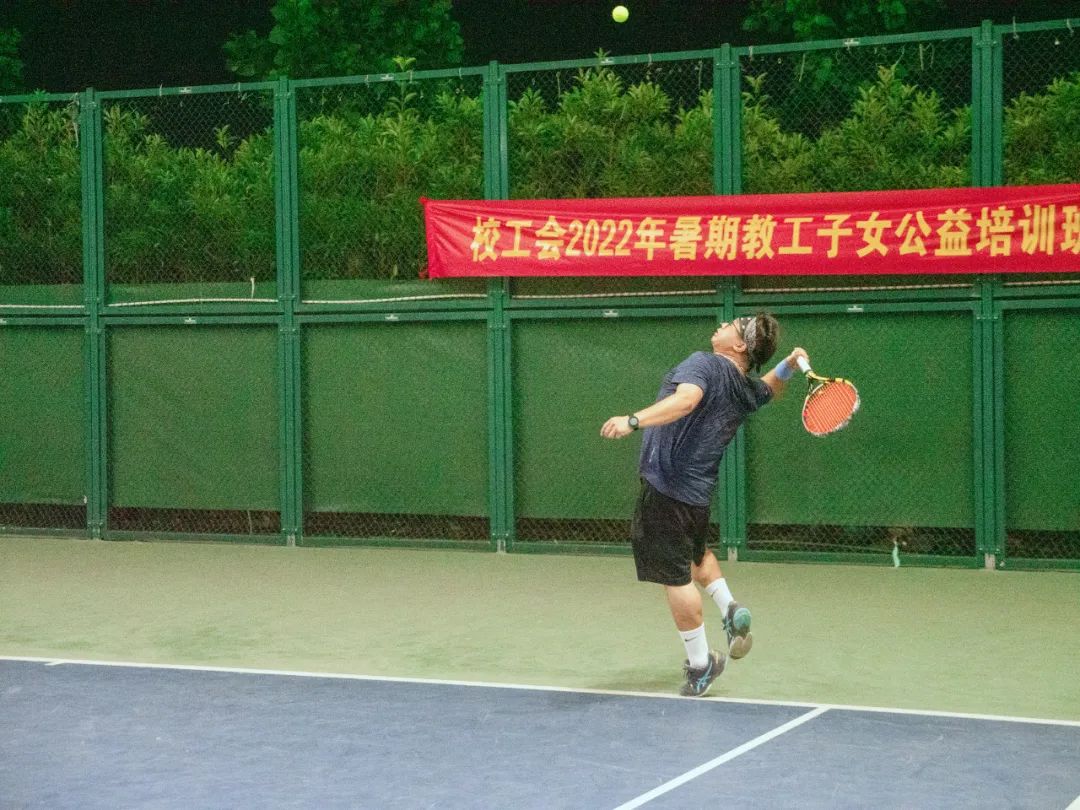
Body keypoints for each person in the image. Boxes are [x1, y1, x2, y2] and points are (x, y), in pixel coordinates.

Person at [601, 313, 808, 697]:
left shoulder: (705, 364)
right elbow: (768, 389)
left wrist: (632, 420)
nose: (724, 324)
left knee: (676, 579)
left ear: (740, 345)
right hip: (697, 495)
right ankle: (729, 608)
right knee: (697, 556)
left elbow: (686, 401)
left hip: (666, 489)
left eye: (734, 324)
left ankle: (701, 665)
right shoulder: (742, 386)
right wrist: (788, 366)